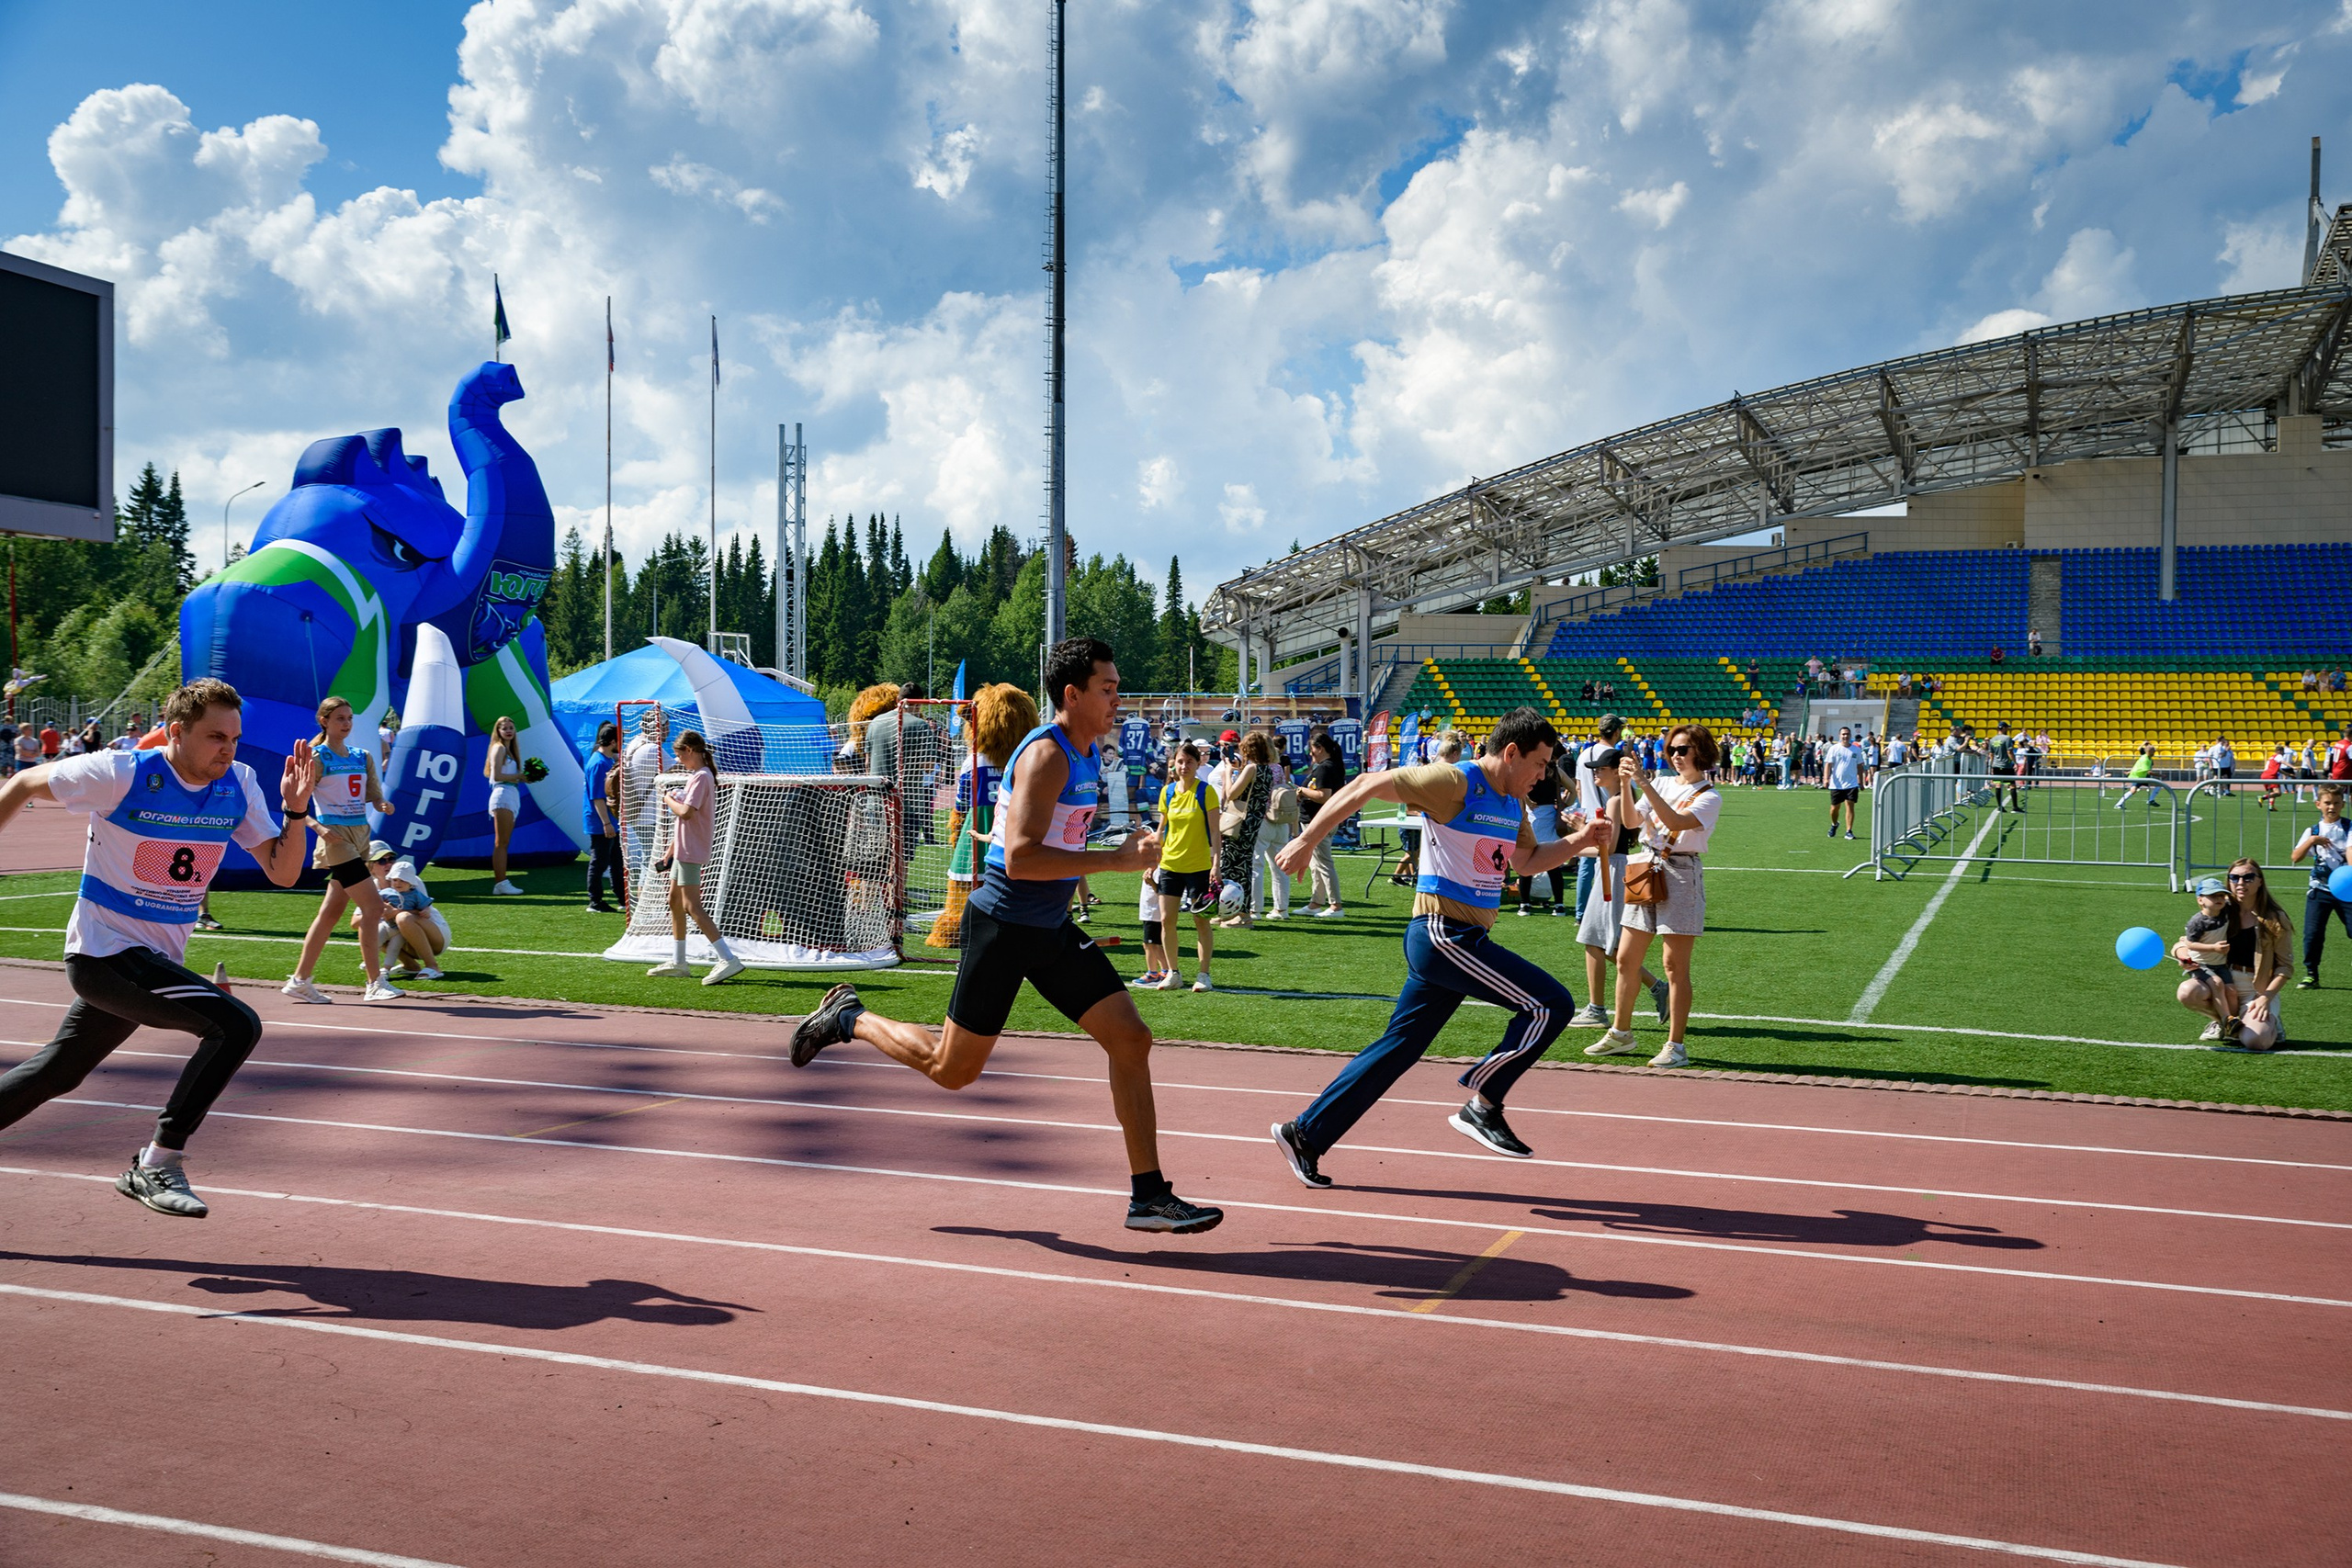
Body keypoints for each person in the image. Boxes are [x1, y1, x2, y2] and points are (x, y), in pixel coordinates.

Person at [788, 636, 1223, 1235]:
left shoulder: (1089, 750)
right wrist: (1115, 862)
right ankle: (849, 1017)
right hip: (1004, 924)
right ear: (1072, 694)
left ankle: (1148, 1194)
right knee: (952, 1068)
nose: (1117, 697)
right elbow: (1018, 859)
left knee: (1130, 1038)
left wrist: (1129, 849)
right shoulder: (1047, 756)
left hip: (1046, 926)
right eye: (1108, 687)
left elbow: (1062, 841)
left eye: (1117, 686)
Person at [0, 677, 318, 1217]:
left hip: (150, 963)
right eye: (216, 736)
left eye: (234, 738)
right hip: (105, 955)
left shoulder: (238, 784)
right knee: (235, 1025)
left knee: (58, 1072)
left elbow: (284, 873)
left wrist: (295, 811)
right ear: (176, 732)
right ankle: (158, 1162)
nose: (228, 749)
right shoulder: (123, 773)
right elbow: (26, 781)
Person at [1268, 706, 1614, 1184]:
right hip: (1441, 933)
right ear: (1511, 753)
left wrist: (1580, 840)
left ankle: (1306, 1134)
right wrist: (1308, 839)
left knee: (1398, 1049)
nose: (1542, 776)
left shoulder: (1514, 803)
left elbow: (1529, 861)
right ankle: (1483, 1104)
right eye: (1539, 764)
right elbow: (1367, 784)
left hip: (1462, 941)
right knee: (1550, 1004)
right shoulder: (1455, 782)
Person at [1588, 724, 1724, 1069]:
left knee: (1674, 966)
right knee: (1625, 959)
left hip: (1680, 873)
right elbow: (1633, 821)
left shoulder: (1709, 795)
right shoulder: (1662, 783)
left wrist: (1644, 783)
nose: (1676, 756)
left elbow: (1676, 821)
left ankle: (1676, 1045)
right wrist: (1624, 783)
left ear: (1701, 753)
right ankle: (1621, 1032)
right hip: (1645, 868)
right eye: (1673, 750)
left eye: (1684, 750)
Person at [280, 696, 402, 1004]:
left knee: (331, 912)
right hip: (337, 840)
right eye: (339, 719)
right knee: (373, 908)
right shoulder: (316, 757)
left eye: (349, 718)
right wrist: (318, 828)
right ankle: (375, 982)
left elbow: (374, 795)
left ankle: (299, 980)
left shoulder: (362, 756)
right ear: (324, 721)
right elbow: (290, 803)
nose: (346, 724)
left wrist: (383, 805)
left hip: (361, 837)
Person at [1568, 745, 1668, 1031]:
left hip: (1613, 870)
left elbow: (1606, 848)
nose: (1596, 772)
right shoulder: (1619, 798)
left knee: (1594, 940)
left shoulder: (1614, 801)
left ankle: (1597, 1009)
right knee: (1608, 944)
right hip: (1616, 867)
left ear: (1615, 772)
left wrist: (1573, 842)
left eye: (1601, 768)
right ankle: (1655, 987)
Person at [932, 684, 1034, 951]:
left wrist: (956, 827)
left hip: (978, 827)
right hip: (1013, 828)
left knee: (970, 880)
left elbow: (961, 803)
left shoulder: (974, 760)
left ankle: (957, 928)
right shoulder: (1024, 758)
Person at [643, 729, 742, 985]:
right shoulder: (698, 776)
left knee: (691, 905)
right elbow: (686, 819)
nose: (678, 761)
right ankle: (679, 962)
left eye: (679, 755)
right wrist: (671, 850)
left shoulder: (701, 777)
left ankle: (728, 959)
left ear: (690, 750)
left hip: (692, 850)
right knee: (674, 901)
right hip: (684, 849)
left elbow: (686, 812)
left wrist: (667, 799)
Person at [2173, 863, 2291, 1050]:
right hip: (2222, 979)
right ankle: (2223, 1020)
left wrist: (2266, 998)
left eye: (2248, 877)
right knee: (2187, 992)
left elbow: (2285, 967)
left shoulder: (2274, 917)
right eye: (2234, 877)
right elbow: (2182, 942)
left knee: (2256, 1041)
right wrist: (2184, 956)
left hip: (2256, 989)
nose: (2240, 882)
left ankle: (2271, 1024)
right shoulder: (2221, 910)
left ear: (2260, 881)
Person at [1148, 741, 1222, 988]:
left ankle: (1204, 975)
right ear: (1174, 764)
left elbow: (1215, 831)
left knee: (1201, 921)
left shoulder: (1206, 792)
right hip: (1170, 865)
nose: (1184, 766)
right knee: (1167, 920)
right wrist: (1152, 862)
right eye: (1180, 761)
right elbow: (1161, 830)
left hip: (1199, 866)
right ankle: (1173, 973)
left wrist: (1216, 864)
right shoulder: (1167, 792)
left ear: (1197, 763)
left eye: (1189, 762)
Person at [2290, 785, 2351, 988]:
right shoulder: (2313, 830)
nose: (2331, 807)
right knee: (2313, 933)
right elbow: (2295, 857)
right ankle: (2311, 974)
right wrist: (2312, 841)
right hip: (2319, 890)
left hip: (2346, 891)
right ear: (2318, 805)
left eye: (2336, 803)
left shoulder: (2349, 828)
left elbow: (2350, 852)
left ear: (2343, 804)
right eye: (2327, 803)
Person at [365, 840, 449, 980]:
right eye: (381, 861)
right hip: (405, 938)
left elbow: (422, 913)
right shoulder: (371, 887)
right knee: (375, 929)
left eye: (391, 859)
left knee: (403, 918)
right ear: (370, 867)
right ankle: (410, 966)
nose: (388, 864)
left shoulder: (410, 880)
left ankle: (433, 966)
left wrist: (393, 912)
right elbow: (355, 921)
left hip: (435, 935)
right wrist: (378, 913)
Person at [1215, 731, 1272, 929]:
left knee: (1237, 866)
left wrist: (1229, 773)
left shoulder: (1251, 769)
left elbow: (1231, 794)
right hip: (1252, 821)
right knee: (1237, 864)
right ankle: (1231, 911)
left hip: (1241, 822)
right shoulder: (1267, 769)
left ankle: (1242, 914)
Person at [1573, 715, 1623, 919]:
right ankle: (1604, 909)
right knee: (1610, 861)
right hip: (1607, 814)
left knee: (1586, 867)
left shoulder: (1584, 753)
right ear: (1617, 732)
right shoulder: (1614, 755)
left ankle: (1581, 912)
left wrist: (1584, 811)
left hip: (1587, 812)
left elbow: (1578, 786)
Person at [1512, 749, 1570, 915]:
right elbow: (1573, 789)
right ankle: (1559, 905)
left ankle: (1525, 904)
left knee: (1525, 862)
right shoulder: (1556, 771)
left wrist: (1528, 801)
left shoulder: (1531, 769)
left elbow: (1517, 789)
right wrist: (1563, 804)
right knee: (1553, 864)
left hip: (1531, 816)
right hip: (1550, 816)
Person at [1297, 729, 1348, 916]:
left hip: (1318, 820)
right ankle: (1316, 902)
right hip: (1322, 819)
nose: (1311, 754)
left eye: (1312, 750)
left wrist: (1302, 791)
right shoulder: (1332, 765)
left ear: (1320, 748)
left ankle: (1335, 905)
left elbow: (1323, 795)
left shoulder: (1325, 767)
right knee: (1316, 863)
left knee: (1324, 863)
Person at [1251, 735, 1298, 920]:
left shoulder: (1254, 769)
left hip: (1262, 819)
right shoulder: (1278, 768)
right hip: (1280, 819)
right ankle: (1281, 909)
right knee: (1280, 867)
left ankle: (1255, 909)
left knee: (1256, 865)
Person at [482, 715, 528, 895]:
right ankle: (500, 882)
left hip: (512, 794)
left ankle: (501, 882)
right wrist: (519, 776)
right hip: (502, 794)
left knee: (505, 842)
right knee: (501, 843)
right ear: (498, 731)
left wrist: (524, 777)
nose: (509, 731)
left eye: (511, 727)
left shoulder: (511, 750)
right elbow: (497, 776)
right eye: (504, 728)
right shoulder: (498, 748)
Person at [583, 720, 627, 912]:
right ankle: (595, 901)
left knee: (617, 862)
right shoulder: (598, 764)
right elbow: (597, 797)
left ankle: (623, 899)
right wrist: (606, 823)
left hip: (611, 821)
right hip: (601, 821)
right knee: (599, 862)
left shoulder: (608, 760)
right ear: (612, 742)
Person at [623, 706, 669, 884]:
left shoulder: (634, 743)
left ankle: (646, 905)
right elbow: (678, 770)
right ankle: (647, 907)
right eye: (666, 728)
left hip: (638, 812)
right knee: (652, 862)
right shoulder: (651, 749)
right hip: (649, 815)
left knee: (647, 860)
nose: (668, 732)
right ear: (658, 726)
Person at [1823, 724, 1861, 840]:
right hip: (1836, 783)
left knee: (1850, 806)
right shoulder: (1834, 749)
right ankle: (1834, 824)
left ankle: (1849, 830)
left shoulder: (1856, 749)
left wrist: (1861, 781)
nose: (1845, 736)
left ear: (1850, 735)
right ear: (1839, 736)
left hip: (1852, 783)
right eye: (1843, 734)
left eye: (1847, 734)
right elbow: (1828, 764)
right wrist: (1826, 778)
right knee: (1835, 808)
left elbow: (1860, 766)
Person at [1985, 723, 2021, 812]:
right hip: (2006, 765)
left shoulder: (1992, 739)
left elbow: (1991, 754)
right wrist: (2015, 762)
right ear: (2004, 728)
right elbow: (2010, 752)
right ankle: (2015, 807)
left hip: (1996, 765)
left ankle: (1999, 806)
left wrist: (1992, 765)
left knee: (1998, 784)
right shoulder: (2007, 738)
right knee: (2012, 785)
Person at [2113, 742, 2161, 808]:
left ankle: (2118, 804)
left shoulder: (2147, 757)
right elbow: (2149, 771)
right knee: (2158, 785)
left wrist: (2130, 771)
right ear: (2149, 751)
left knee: (2133, 790)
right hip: (2140, 777)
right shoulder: (2145, 758)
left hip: (2141, 776)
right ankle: (2151, 800)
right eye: (2153, 751)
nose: (2154, 753)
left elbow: (2138, 767)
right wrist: (2160, 775)